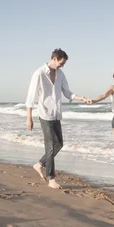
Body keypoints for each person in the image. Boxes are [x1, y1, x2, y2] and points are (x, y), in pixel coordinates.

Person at [25, 48, 90, 189]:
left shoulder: (60, 74)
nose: (62, 66)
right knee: (50, 146)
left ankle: (39, 164)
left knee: (59, 144)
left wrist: (81, 98)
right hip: (44, 114)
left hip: (56, 114)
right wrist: (28, 118)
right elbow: (30, 97)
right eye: (61, 63)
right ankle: (51, 179)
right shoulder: (39, 73)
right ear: (54, 59)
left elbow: (67, 93)